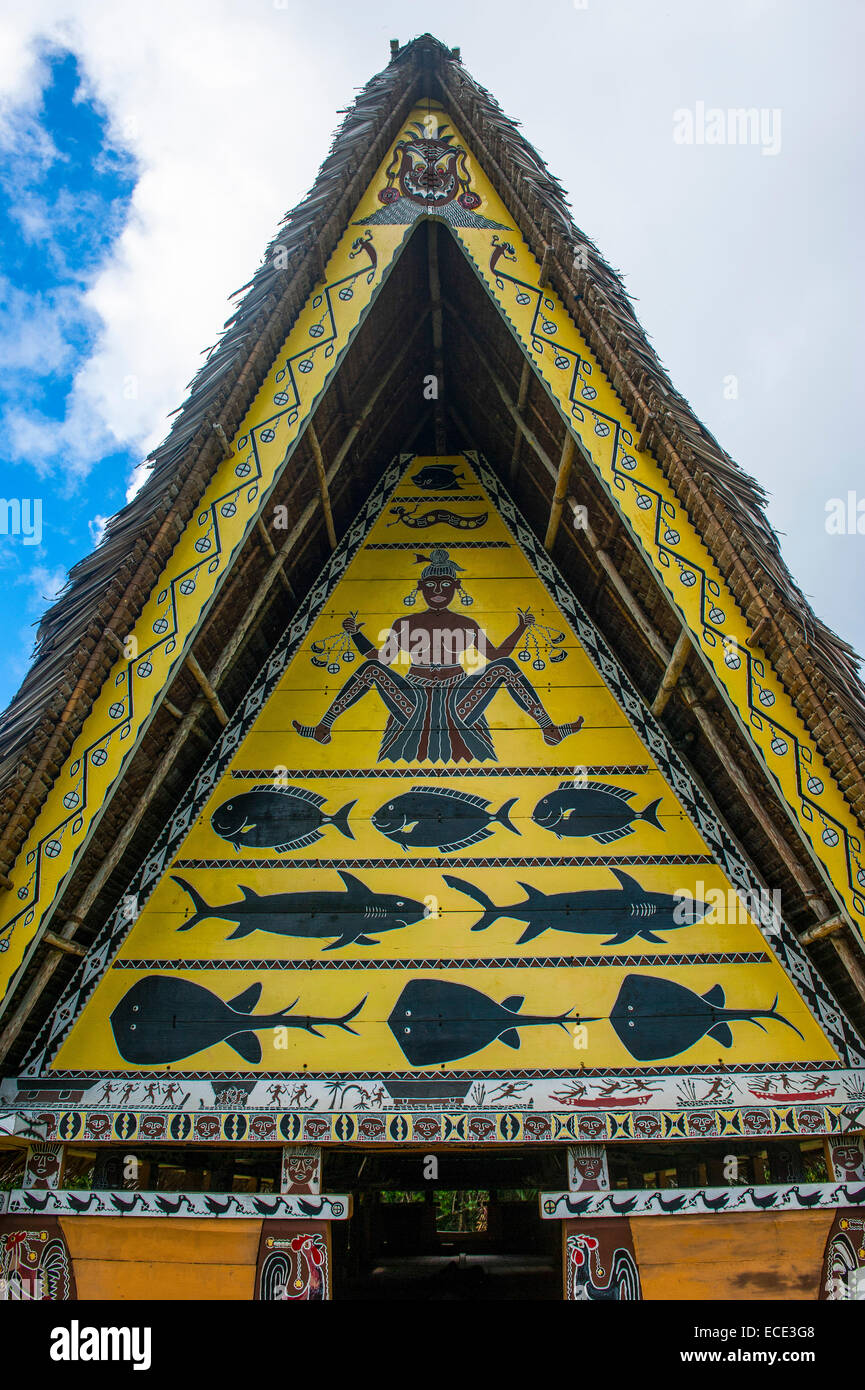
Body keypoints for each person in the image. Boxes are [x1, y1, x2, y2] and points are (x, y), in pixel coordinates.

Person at [292, 548, 582, 763]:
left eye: (446, 585)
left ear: (457, 588)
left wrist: (520, 628)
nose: (439, 591)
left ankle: (549, 728)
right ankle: (323, 727)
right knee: (370, 669)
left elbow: (496, 656)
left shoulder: (467, 624)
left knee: (505, 666)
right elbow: (380, 658)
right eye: (431, 585)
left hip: (458, 696)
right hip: (413, 696)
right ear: (420, 589)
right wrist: (355, 633)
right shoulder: (404, 624)